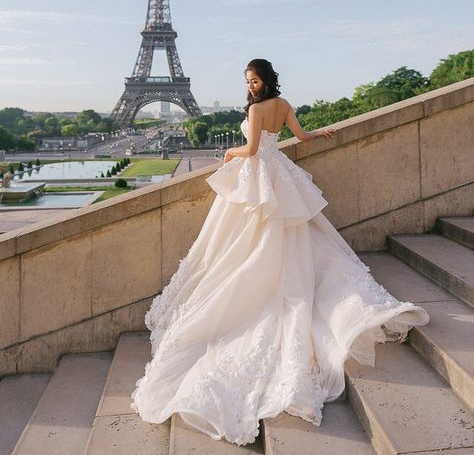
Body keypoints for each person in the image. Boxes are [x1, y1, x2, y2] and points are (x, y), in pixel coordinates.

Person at [130, 58, 430, 446]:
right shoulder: (284, 104)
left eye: (254, 80)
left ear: (264, 80)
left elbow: (253, 149)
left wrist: (229, 155)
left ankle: (261, 282)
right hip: (281, 177)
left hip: (258, 178)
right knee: (289, 238)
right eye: (248, 81)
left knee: (249, 241)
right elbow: (299, 138)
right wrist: (319, 133)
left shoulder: (256, 109)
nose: (251, 86)